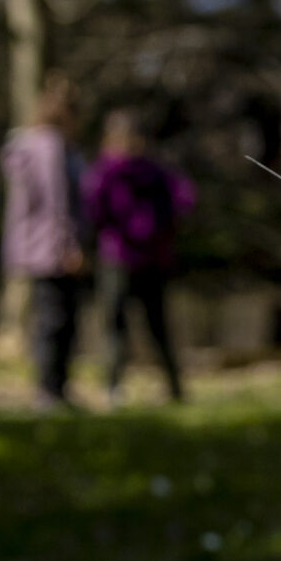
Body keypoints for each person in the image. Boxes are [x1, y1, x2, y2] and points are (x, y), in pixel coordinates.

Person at [82, 110, 194, 405]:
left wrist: (163, 226)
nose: (127, 145)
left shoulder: (154, 171)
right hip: (117, 257)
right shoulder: (105, 172)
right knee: (114, 326)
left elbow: (183, 198)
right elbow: (92, 210)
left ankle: (174, 388)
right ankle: (113, 387)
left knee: (158, 327)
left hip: (152, 259)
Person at [0, 74, 93, 410]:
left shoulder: (55, 146)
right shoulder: (49, 146)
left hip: (46, 246)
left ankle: (58, 388)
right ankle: (48, 392)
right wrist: (68, 246)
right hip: (49, 248)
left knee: (63, 319)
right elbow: (56, 202)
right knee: (54, 321)